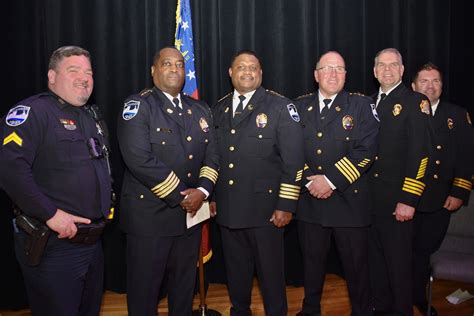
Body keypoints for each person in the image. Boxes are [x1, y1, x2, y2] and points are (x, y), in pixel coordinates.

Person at [0, 46, 112, 315]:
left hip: (93, 244)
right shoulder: (32, 112)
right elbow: (9, 168)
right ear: (52, 76)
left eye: (89, 72)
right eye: (73, 71)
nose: (84, 78)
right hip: (55, 246)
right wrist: (49, 213)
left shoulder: (91, 117)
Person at [117, 47, 219, 316]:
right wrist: (184, 195)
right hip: (150, 219)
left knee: (184, 291)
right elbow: (138, 159)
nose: (174, 69)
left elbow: (213, 155)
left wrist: (203, 190)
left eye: (179, 64)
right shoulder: (138, 106)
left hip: (189, 218)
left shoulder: (199, 109)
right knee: (144, 293)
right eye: (167, 64)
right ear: (154, 71)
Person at [211, 49, 304, 316]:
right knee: (236, 275)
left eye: (253, 67)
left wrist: (286, 204)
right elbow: (215, 158)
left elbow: (294, 161)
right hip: (229, 210)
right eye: (241, 67)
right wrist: (214, 197)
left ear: (261, 73)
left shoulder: (279, 107)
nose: (247, 72)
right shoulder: (218, 108)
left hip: (267, 212)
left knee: (271, 278)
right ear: (231, 73)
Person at [293, 51, 379, 316]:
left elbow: (367, 152)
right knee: (311, 266)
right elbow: (290, 150)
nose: (332, 74)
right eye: (327, 69)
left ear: (346, 75)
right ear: (316, 74)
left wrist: (330, 181)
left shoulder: (362, 106)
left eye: (339, 69)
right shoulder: (297, 107)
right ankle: (310, 311)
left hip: (349, 204)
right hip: (310, 201)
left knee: (357, 270)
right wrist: (311, 182)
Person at [368, 48, 432, 316]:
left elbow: (421, 155)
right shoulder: (369, 103)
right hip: (370, 202)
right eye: (381, 65)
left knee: (399, 268)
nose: (387, 69)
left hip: (398, 203)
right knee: (377, 266)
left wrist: (409, 199)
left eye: (393, 65)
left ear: (402, 70)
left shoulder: (415, 102)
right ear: (374, 71)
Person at [411, 62, 473, 316]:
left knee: (423, 253)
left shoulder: (456, 115)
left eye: (435, 81)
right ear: (413, 86)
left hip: (438, 200)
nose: (430, 86)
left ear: (442, 85)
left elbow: (467, 157)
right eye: (424, 81)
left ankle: (417, 297)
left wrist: (459, 192)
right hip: (404, 198)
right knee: (399, 252)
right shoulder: (401, 111)